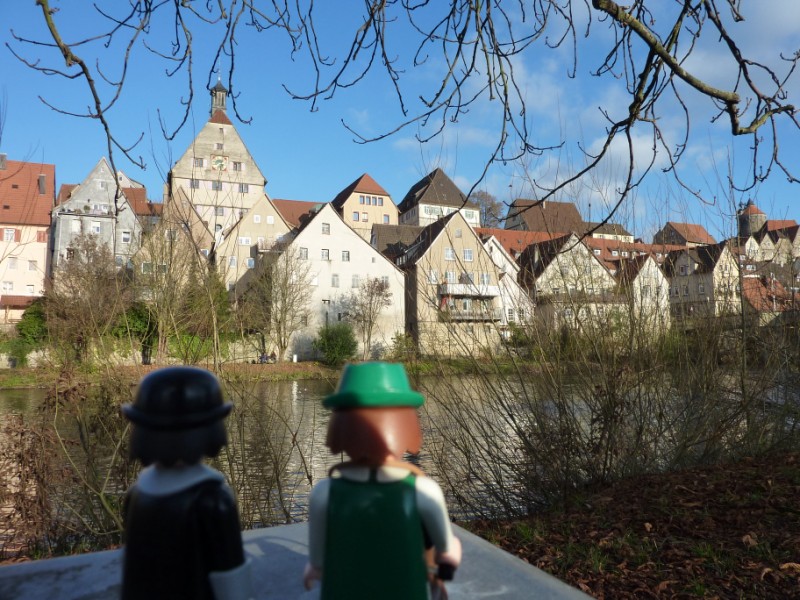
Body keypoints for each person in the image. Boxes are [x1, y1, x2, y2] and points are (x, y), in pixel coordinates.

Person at [304, 362, 462, 600]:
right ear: (406, 424)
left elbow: (317, 560)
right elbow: (446, 552)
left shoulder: (324, 492)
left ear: (340, 427)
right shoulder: (423, 490)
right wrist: (447, 558)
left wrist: (315, 568)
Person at [121, 366, 253, 600]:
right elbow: (230, 573)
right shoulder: (214, 500)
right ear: (210, 429)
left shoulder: (136, 494)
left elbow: (132, 570)